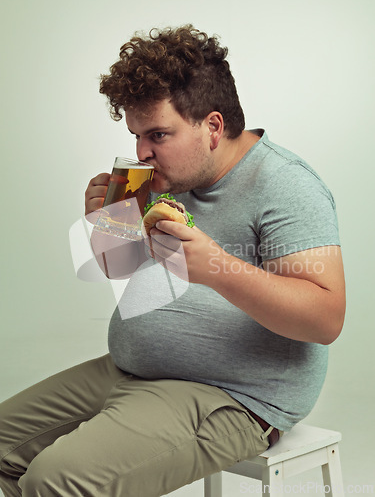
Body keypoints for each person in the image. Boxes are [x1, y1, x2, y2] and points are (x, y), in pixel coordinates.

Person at [0, 25, 346, 497]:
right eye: (138, 135)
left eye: (158, 134)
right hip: (127, 372)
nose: (143, 152)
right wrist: (108, 225)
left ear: (213, 127)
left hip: (232, 397)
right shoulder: (162, 180)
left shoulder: (288, 186)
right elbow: (122, 272)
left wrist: (217, 268)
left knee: (55, 479)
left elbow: (326, 319)